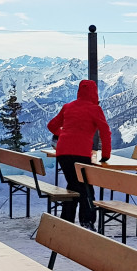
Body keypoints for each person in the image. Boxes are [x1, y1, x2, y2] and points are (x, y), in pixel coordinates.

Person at [47, 79, 112, 229]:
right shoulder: (95, 109)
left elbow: (51, 125)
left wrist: (63, 134)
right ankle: (87, 222)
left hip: (63, 152)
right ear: (94, 93)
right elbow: (105, 132)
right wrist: (106, 155)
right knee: (85, 188)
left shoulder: (68, 107)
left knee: (73, 185)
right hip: (81, 153)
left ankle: (66, 220)